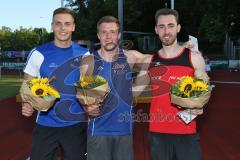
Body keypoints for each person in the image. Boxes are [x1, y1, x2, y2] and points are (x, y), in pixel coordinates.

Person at [21, 7, 88, 160]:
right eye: (58, 24)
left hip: (74, 124)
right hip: (45, 123)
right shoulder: (38, 53)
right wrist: (27, 103)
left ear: (73, 27)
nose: (62, 28)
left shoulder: (84, 54)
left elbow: (88, 88)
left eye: (67, 23)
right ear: (52, 26)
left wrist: (93, 102)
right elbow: (27, 84)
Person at [80, 16, 149, 160]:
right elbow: (83, 93)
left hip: (124, 130)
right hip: (98, 130)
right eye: (104, 32)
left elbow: (158, 60)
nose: (108, 36)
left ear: (118, 35)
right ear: (98, 35)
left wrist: (135, 90)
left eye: (112, 32)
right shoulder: (89, 61)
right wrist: (87, 106)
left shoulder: (131, 57)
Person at [147, 8, 209, 160]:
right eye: (161, 26)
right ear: (156, 29)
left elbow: (205, 86)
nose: (166, 31)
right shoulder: (149, 60)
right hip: (158, 132)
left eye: (170, 25)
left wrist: (201, 105)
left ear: (178, 28)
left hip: (186, 131)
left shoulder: (194, 58)